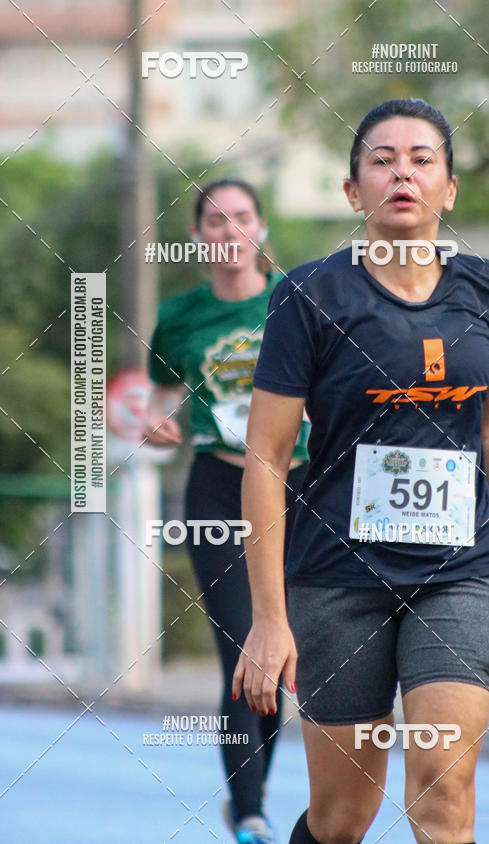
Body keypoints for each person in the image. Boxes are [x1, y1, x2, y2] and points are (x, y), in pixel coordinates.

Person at [232, 99, 489, 844]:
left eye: (421, 159)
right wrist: (269, 619)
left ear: (450, 188)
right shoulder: (308, 296)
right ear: (352, 193)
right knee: (344, 817)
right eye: (381, 160)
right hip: (338, 580)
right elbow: (267, 455)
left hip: (459, 575)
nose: (401, 172)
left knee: (443, 788)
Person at [145, 178, 310, 844]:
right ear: (198, 239)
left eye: (243, 218)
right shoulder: (181, 317)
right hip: (219, 491)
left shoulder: (297, 300)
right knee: (246, 650)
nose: (230, 231)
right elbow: (148, 398)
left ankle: (253, 798)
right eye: (216, 222)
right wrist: (151, 423)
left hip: (302, 490)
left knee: (286, 655)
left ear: (262, 229)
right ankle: (250, 817)